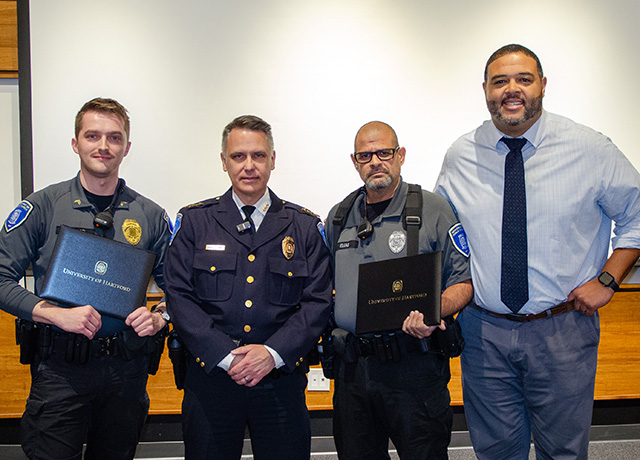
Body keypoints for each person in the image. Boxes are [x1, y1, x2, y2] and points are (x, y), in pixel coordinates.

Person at [434, 44, 640, 459]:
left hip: (562, 329)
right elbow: (445, 236)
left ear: (542, 85)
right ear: (486, 90)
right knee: (495, 451)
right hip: (483, 332)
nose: (512, 90)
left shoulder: (590, 149)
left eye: (524, 79)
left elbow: (636, 216)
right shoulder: (461, 156)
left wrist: (608, 280)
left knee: (562, 451)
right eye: (500, 81)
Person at [0, 97, 172, 460]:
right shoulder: (43, 206)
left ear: (127, 147)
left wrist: (159, 317)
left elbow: (181, 290)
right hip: (61, 372)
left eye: (114, 137)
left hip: (126, 373)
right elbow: (1, 278)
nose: (103, 146)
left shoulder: (151, 215)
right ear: (76, 144)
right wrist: (53, 313)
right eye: (93, 136)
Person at [163, 115, 332, 460]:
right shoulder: (196, 222)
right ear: (224, 162)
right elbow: (179, 295)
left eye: (258, 156)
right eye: (239, 156)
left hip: (280, 381)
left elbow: (316, 303)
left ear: (273, 160)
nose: (249, 166)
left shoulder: (302, 226)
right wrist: (227, 356)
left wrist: (269, 355)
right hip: (211, 379)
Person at [325, 121, 473, 460]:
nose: (375, 161)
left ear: (400, 155)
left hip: (414, 368)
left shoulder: (435, 210)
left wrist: (434, 312)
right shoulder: (338, 217)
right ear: (355, 161)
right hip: (354, 371)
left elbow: (463, 283)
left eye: (384, 152)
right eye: (365, 155)